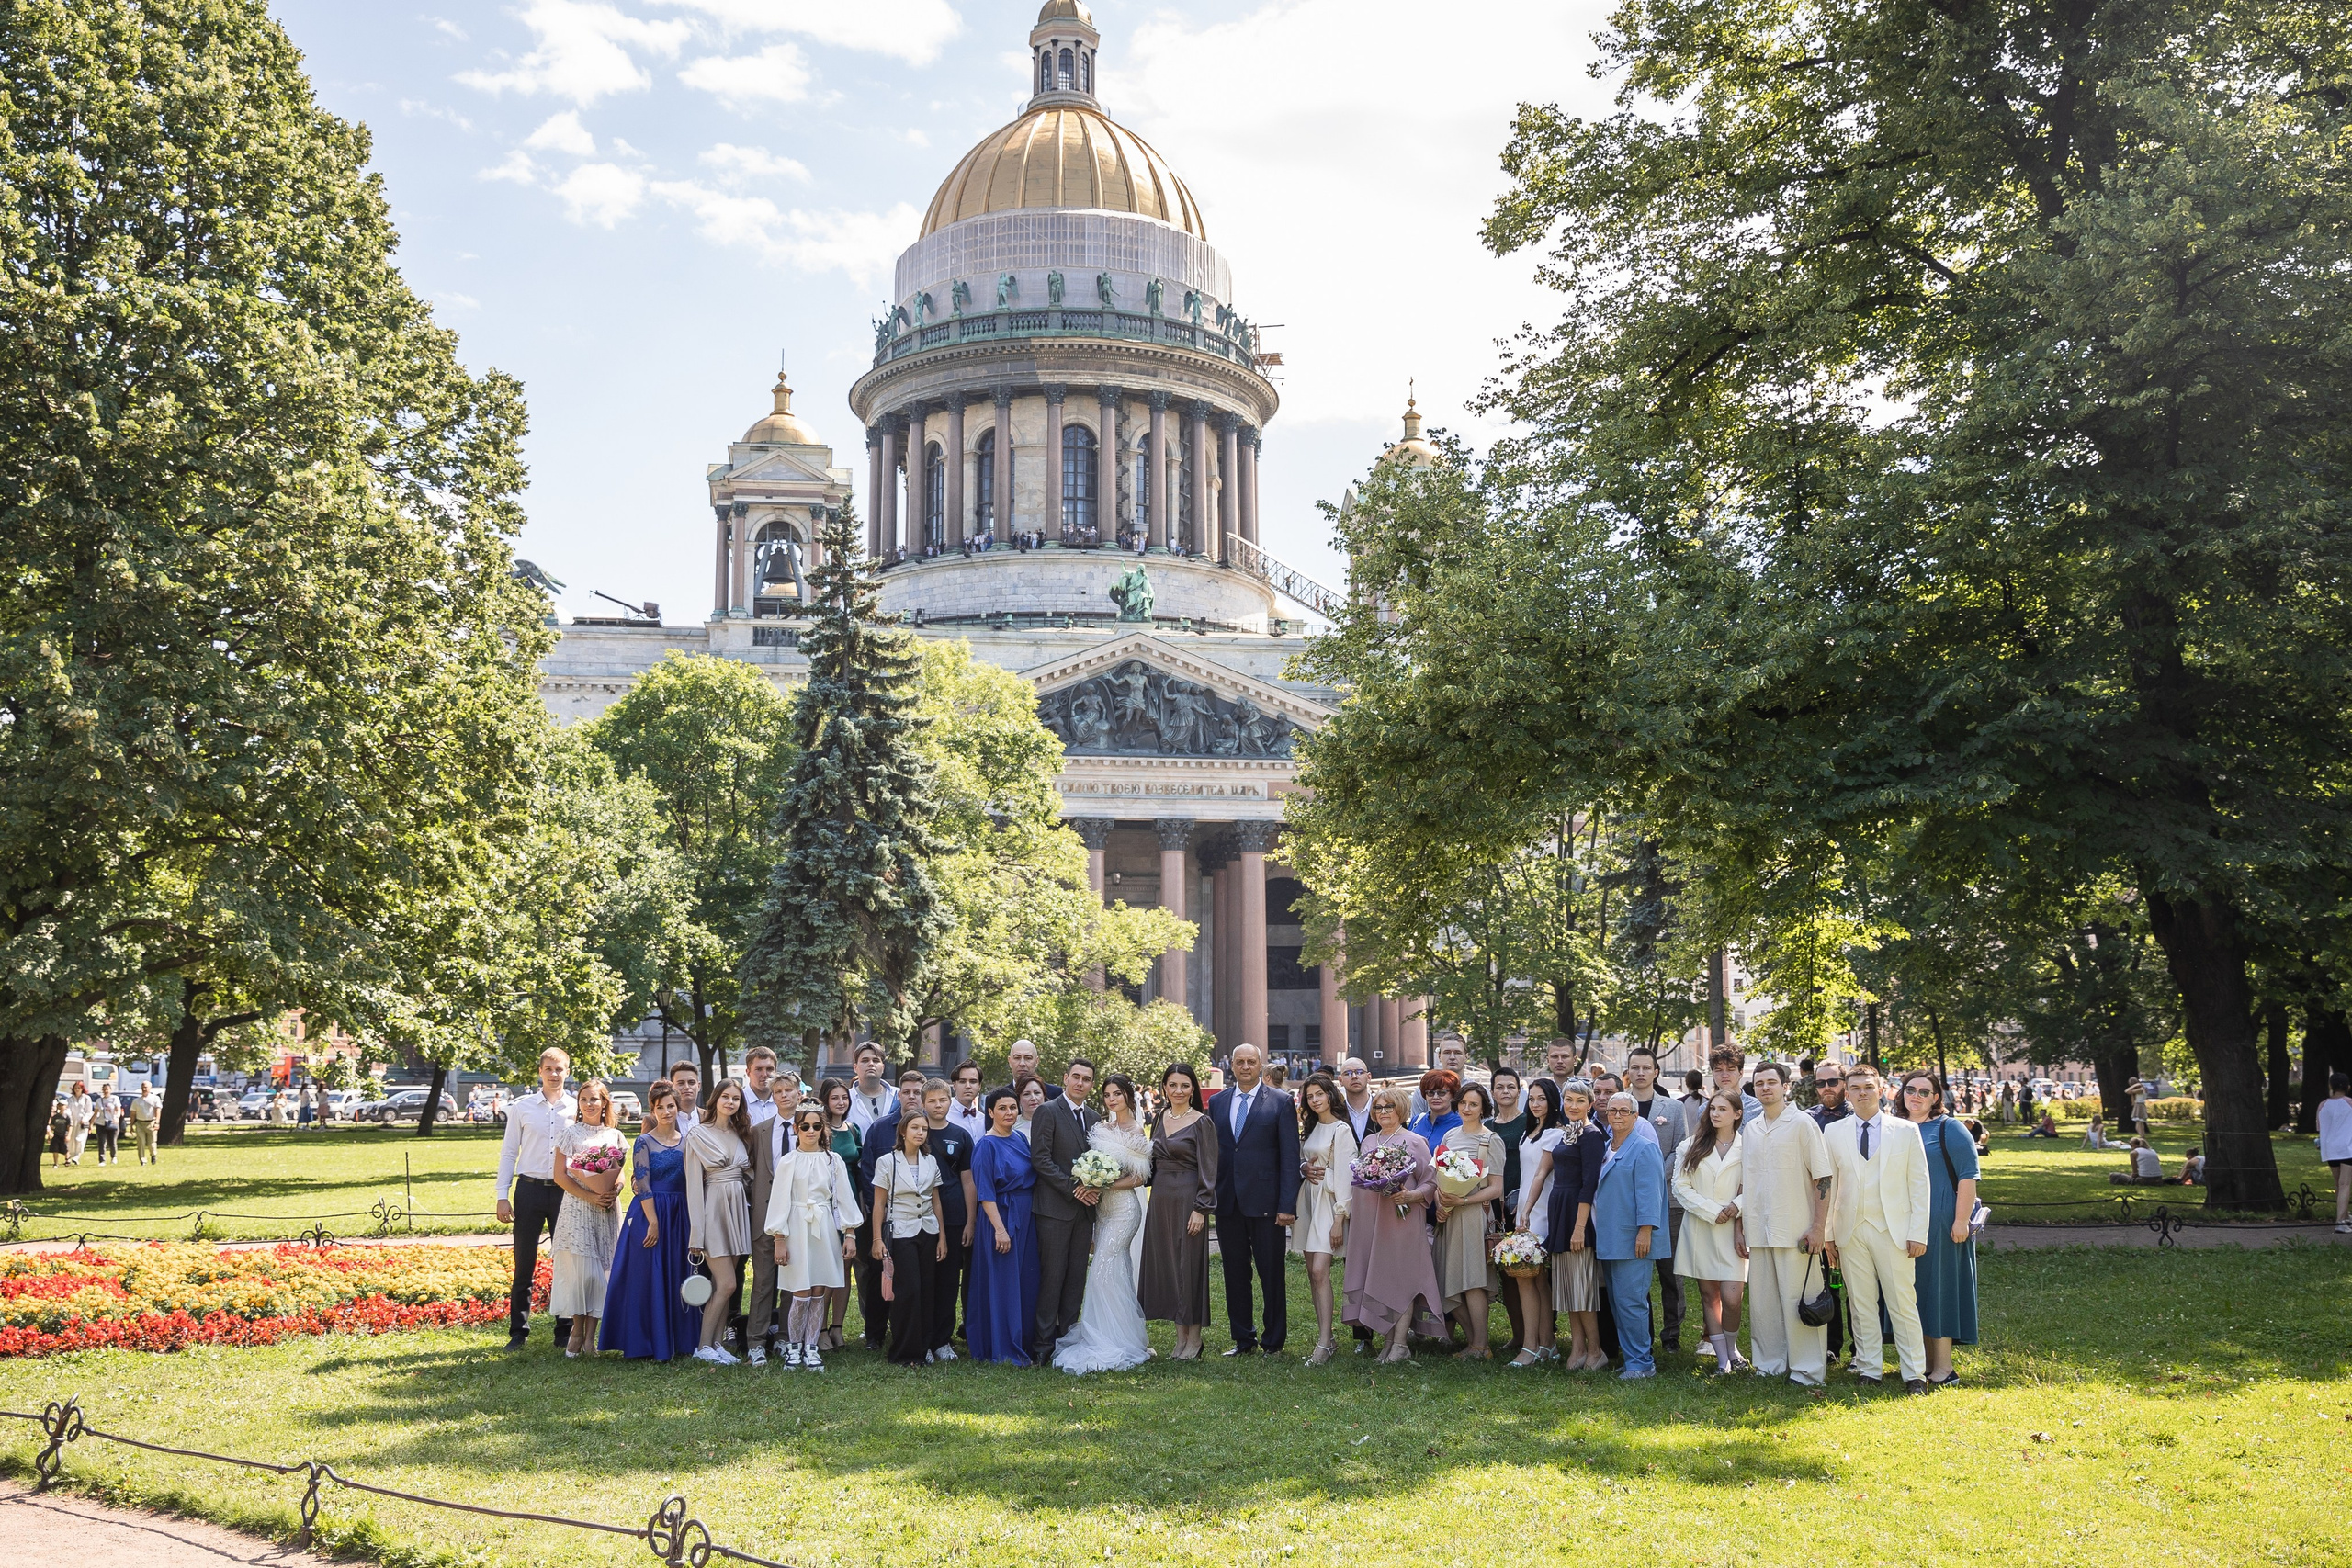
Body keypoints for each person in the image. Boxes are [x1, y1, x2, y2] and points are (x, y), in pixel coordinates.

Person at [1821, 1066, 1929, 1393]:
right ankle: (1869, 1367)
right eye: (1855, 1088)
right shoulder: (1834, 1132)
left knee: (1902, 1302)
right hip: (1850, 1229)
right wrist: (1828, 1234)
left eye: (1868, 1086)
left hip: (1894, 1229)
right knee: (1860, 1302)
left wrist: (1917, 1232)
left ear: (1882, 1089)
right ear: (1847, 1093)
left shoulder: (1906, 1130)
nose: (1862, 1093)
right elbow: (1830, 1185)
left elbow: (1919, 1184)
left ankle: (1914, 1373)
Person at [1736, 1061, 1835, 1387]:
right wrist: (1741, 1228)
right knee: (1764, 1306)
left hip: (1796, 1229)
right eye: (1759, 1083)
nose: (1765, 1088)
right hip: (1759, 1230)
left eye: (1771, 1082)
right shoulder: (1750, 1129)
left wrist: (1818, 1227)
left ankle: (1807, 1371)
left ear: (1785, 1086)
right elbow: (1745, 1184)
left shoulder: (1803, 1124)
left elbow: (1823, 1177)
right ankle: (1769, 1365)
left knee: (1799, 1301)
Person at [1052, 1073, 1155, 1374]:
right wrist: (1090, 1179)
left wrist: (1103, 1185)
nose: (1111, 1099)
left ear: (1127, 1096)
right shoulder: (1100, 1127)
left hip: (1124, 1211)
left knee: (1101, 1270)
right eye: (1107, 1095)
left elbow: (1139, 1177)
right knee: (1116, 1270)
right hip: (1101, 1212)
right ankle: (1120, 1334)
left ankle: (1111, 1339)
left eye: (1117, 1094)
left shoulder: (1135, 1129)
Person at [1209, 1043, 1301, 1356]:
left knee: (1271, 1273)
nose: (1245, 1066)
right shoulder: (1219, 1103)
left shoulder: (1280, 1102)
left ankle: (1273, 1342)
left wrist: (1287, 1205)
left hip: (1267, 1203)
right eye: (1239, 1062)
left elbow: (1290, 1156)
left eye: (1251, 1061)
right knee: (1235, 1273)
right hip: (1228, 1202)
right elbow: (1219, 1153)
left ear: (1261, 1064)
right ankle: (1243, 1339)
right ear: (1232, 1066)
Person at [599, 1081, 700, 1361]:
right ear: (652, 1110)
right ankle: (644, 1341)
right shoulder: (645, 1141)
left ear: (678, 1107)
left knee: (677, 1273)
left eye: (671, 1106)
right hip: (650, 1212)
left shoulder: (688, 1141)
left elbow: (693, 1183)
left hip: (680, 1214)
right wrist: (653, 1222)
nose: (667, 1111)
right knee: (647, 1276)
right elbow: (642, 1183)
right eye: (660, 1107)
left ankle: (679, 1340)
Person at [1340, 1089, 1442, 1364]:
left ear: (1402, 1109)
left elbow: (1430, 1182)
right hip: (1372, 1219)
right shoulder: (1368, 1142)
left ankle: (1400, 1344)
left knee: (1403, 1278)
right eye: (1378, 1107)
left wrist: (1411, 1195)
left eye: (1389, 1107)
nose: (1383, 1112)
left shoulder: (1415, 1141)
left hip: (1403, 1219)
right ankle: (1388, 1341)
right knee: (1381, 1275)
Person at [763, 1106, 863, 1370]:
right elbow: (780, 1201)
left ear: (823, 1129)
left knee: (819, 1288)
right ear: (796, 1129)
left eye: (816, 1126)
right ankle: (794, 1347)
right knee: (801, 1288)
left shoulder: (833, 1161)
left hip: (823, 1226)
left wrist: (849, 1233)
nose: (811, 1131)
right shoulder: (788, 1161)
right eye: (805, 1126)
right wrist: (779, 1238)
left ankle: (811, 1346)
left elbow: (843, 1198)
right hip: (796, 1227)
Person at [494, 1048, 578, 1350]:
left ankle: (564, 1330)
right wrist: (502, 1196)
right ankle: (519, 1331)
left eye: (560, 1069)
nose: (554, 1074)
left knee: (566, 1262)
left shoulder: (575, 1108)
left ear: (567, 1071)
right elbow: (508, 1153)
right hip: (529, 1190)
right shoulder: (522, 1107)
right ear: (540, 1071)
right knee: (524, 1261)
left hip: (564, 1191)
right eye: (549, 1069)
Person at [1901, 1070, 1979, 1387]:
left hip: (1943, 1219)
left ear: (1936, 1097)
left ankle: (1945, 1368)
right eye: (1910, 1090)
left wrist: (1961, 1220)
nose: (1916, 1096)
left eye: (1924, 1091)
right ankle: (1924, 1362)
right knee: (1914, 1291)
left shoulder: (1950, 1128)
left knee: (1940, 1288)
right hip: (1905, 1221)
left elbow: (1968, 1176)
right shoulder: (1898, 1128)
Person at [1139, 1061, 1219, 1360]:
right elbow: (1151, 1163)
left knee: (1189, 1268)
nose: (1178, 1090)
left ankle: (1194, 1340)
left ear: (1193, 1089)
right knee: (1170, 1268)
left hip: (1188, 1200)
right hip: (1160, 1200)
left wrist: (1201, 1208)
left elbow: (1209, 1170)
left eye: (1184, 1085)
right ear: (1164, 1088)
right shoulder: (1160, 1117)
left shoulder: (1202, 1122)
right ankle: (1180, 1338)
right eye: (1172, 1085)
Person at [1027, 1059, 1103, 1364]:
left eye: (1087, 1079)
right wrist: (1074, 1189)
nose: (1080, 1083)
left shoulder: (1095, 1117)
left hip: (1084, 1214)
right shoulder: (1048, 1111)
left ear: (1091, 1085)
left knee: (1075, 1280)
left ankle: (1068, 1341)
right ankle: (1043, 1346)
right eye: (1076, 1077)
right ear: (1065, 1078)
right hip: (1054, 1211)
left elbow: (1098, 1161)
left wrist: (1096, 1185)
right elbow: (1041, 1159)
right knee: (1052, 1278)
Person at [1593, 1092, 1672, 1378]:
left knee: (1632, 1302)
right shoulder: (1606, 1147)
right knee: (1618, 1302)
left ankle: (1642, 1363)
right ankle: (1632, 1359)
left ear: (1635, 1117)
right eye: (1613, 1110)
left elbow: (1651, 1195)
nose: (1617, 1116)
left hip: (1634, 1239)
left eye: (1624, 1111)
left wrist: (1646, 1231)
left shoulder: (1644, 1148)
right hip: (1612, 1238)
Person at [1670, 1091, 1748, 1375]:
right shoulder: (1691, 1146)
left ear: (1737, 1114)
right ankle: (1723, 1359)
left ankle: (1732, 1347)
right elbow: (1680, 1186)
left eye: (1722, 1109)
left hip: (1732, 1229)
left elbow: (1757, 1184)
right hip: (1702, 1227)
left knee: (1732, 1297)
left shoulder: (1749, 1146)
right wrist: (1712, 1210)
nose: (1715, 1114)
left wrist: (1736, 1207)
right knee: (1709, 1295)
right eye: (1712, 1109)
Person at [1624, 1046, 1692, 1356]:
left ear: (1655, 1072)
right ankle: (1642, 1332)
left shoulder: (1673, 1109)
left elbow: (1680, 1150)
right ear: (1628, 1072)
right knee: (1635, 1273)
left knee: (1670, 1271)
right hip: (1629, 1202)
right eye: (1634, 1067)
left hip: (1668, 1201)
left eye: (1645, 1068)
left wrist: (1654, 1178)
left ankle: (1671, 1334)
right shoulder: (1619, 1105)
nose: (1640, 1073)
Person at [684, 1078, 755, 1364]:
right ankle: (702, 1347)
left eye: (735, 1098)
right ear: (715, 1100)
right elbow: (692, 1185)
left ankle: (716, 1344)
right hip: (713, 1208)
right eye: (725, 1096)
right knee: (726, 1284)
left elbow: (748, 1175)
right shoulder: (698, 1134)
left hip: (738, 1209)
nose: (730, 1102)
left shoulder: (740, 1135)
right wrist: (696, 1234)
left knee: (726, 1282)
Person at [1541, 1078, 1610, 1369]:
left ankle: (1596, 1350)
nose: (1573, 1105)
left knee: (1582, 1286)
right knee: (1568, 1286)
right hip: (1560, 1208)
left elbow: (1589, 1184)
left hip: (1577, 1212)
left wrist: (1580, 1227)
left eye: (1580, 1101)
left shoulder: (1592, 1135)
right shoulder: (1566, 1132)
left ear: (1590, 1104)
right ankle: (1578, 1347)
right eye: (1569, 1099)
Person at [1434, 1081, 1507, 1359]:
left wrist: (1463, 1201)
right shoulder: (1450, 1136)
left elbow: (1496, 1187)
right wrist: (1442, 1204)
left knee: (1473, 1280)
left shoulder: (1491, 1140)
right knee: (1445, 1279)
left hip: (1474, 1216)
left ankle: (1481, 1345)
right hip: (1449, 1216)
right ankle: (1475, 1342)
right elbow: (1438, 1175)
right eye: (1463, 1103)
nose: (1467, 1108)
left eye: (1473, 1104)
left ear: (1483, 1108)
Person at [968, 1087, 1040, 1364]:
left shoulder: (1021, 1138)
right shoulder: (985, 1146)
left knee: (1025, 1281)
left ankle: (1024, 1341)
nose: (1009, 1113)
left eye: (1012, 1107)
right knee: (1003, 1284)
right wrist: (1000, 1229)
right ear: (990, 1112)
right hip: (1000, 1218)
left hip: (1026, 1218)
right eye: (1002, 1108)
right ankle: (1002, 1346)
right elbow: (985, 1191)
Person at [744, 1067, 809, 1362]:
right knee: (763, 1281)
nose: (784, 1095)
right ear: (773, 1096)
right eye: (778, 1092)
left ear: (799, 1094)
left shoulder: (810, 1130)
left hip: (799, 1215)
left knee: (792, 1280)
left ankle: (785, 1336)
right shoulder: (759, 1132)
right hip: (766, 1216)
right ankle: (756, 1341)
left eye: (788, 1091)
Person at [870, 1114, 945, 1366]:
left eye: (924, 1128)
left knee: (927, 1290)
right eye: (915, 1128)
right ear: (903, 1131)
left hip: (928, 1230)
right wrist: (877, 1239)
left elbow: (935, 1200)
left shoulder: (930, 1160)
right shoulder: (887, 1161)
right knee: (907, 1291)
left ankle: (923, 1347)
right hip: (901, 1231)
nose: (920, 1132)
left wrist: (942, 1236)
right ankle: (904, 1352)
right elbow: (879, 1204)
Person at [1294, 1072, 1357, 1366]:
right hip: (1308, 1201)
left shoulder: (1341, 1130)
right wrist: (1304, 1166)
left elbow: (1346, 1176)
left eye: (1320, 1094)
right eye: (1310, 1096)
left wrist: (1339, 1219)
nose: (1315, 1099)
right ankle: (1326, 1338)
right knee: (1312, 1273)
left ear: (1331, 1095)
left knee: (1320, 1270)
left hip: (1329, 1205)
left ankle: (1324, 1342)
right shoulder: (1312, 1126)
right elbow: (1304, 1158)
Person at [1505, 1079, 1567, 1369]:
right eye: (1532, 1099)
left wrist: (1528, 1210)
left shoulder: (1555, 1134)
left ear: (1553, 1102)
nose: (1536, 1104)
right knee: (1536, 1279)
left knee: (1529, 1277)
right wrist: (1520, 1206)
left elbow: (1542, 1174)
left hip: (1539, 1213)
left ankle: (1530, 1347)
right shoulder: (1530, 1133)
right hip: (1525, 1210)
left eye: (1542, 1099)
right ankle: (1547, 1344)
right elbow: (1527, 1174)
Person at [917, 1078, 978, 1359]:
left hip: (954, 1216)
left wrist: (970, 1220)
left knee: (949, 1280)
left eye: (942, 1100)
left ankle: (942, 1340)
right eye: (932, 1101)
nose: (938, 1105)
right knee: (924, 1280)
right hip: (919, 1217)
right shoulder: (916, 1133)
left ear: (950, 1100)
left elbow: (968, 1181)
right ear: (923, 1103)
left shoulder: (961, 1135)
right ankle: (922, 1339)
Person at [2322, 1072, 2352, 1234]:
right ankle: (2341, 1222)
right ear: (2348, 1087)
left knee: (2338, 1183)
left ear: (2331, 1086)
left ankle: (2345, 1215)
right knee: (2345, 1184)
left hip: (2330, 1149)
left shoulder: (2323, 1105)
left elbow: (2320, 1128)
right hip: (2347, 1147)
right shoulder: (2350, 1103)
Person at [846, 1043, 896, 1134]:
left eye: (876, 1060)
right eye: (865, 1060)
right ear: (855, 1067)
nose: (871, 1064)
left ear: (883, 1067)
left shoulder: (899, 1096)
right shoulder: (845, 1099)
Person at [1710, 1044, 1763, 1123]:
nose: (1725, 1075)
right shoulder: (1704, 1111)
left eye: (1730, 1070)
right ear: (1713, 1073)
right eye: (1719, 1070)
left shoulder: (1758, 1108)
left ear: (1741, 1073)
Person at [946, 1061, 988, 1141]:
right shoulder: (944, 1114)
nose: (968, 1086)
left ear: (979, 1086)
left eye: (973, 1082)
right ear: (954, 1085)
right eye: (962, 1081)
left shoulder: (984, 1120)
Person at [130, 1082, 161, 1165]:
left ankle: (153, 1155)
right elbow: (133, 1114)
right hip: (140, 1123)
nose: (144, 1089)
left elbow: (158, 1110)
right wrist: (131, 1125)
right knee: (141, 1143)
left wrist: (157, 1122)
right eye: (143, 1087)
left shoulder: (155, 1098)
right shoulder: (136, 1101)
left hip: (151, 1123)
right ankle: (143, 1160)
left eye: (146, 1087)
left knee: (152, 1143)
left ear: (150, 1088)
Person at [91, 1086, 121, 1165]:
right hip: (101, 1123)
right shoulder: (99, 1100)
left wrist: (117, 1117)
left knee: (112, 1142)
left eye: (107, 1089)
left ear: (110, 1090)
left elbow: (118, 1110)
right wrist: (91, 1124)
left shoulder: (115, 1098)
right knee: (101, 1142)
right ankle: (102, 1160)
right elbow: (96, 1113)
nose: (106, 1091)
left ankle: (114, 1157)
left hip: (112, 1123)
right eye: (104, 1090)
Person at [668, 1060, 702, 1129]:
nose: (687, 1087)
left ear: (699, 1086)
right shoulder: (655, 1120)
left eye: (691, 1082)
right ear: (671, 1086)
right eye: (681, 1083)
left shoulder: (711, 1118)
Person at [65, 1082, 92, 1165]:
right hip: (72, 1122)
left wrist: (84, 1119)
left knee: (79, 1139)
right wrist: (69, 1119)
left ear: (82, 1089)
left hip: (82, 1122)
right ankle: (70, 1157)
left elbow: (89, 1111)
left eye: (79, 1088)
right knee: (71, 1140)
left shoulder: (86, 1098)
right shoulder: (70, 1099)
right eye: (75, 1088)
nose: (77, 1090)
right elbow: (68, 1109)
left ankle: (77, 1156)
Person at [1013, 1077, 1047, 1141]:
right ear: (1018, 1099)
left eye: (1037, 1093)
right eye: (1026, 1094)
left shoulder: (1057, 1121)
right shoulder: (1012, 1125)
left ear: (1044, 1095)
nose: (1033, 1098)